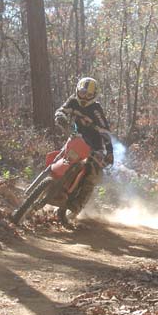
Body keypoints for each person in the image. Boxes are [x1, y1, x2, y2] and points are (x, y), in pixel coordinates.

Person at [54, 77, 114, 225]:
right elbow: (62, 110)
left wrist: (109, 151)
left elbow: (105, 131)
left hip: (95, 145)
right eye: (82, 92)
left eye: (88, 95)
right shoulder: (73, 101)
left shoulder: (96, 109)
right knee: (59, 157)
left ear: (94, 96)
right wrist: (60, 117)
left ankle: (76, 206)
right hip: (77, 138)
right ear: (77, 91)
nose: (84, 97)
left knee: (91, 174)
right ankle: (48, 182)